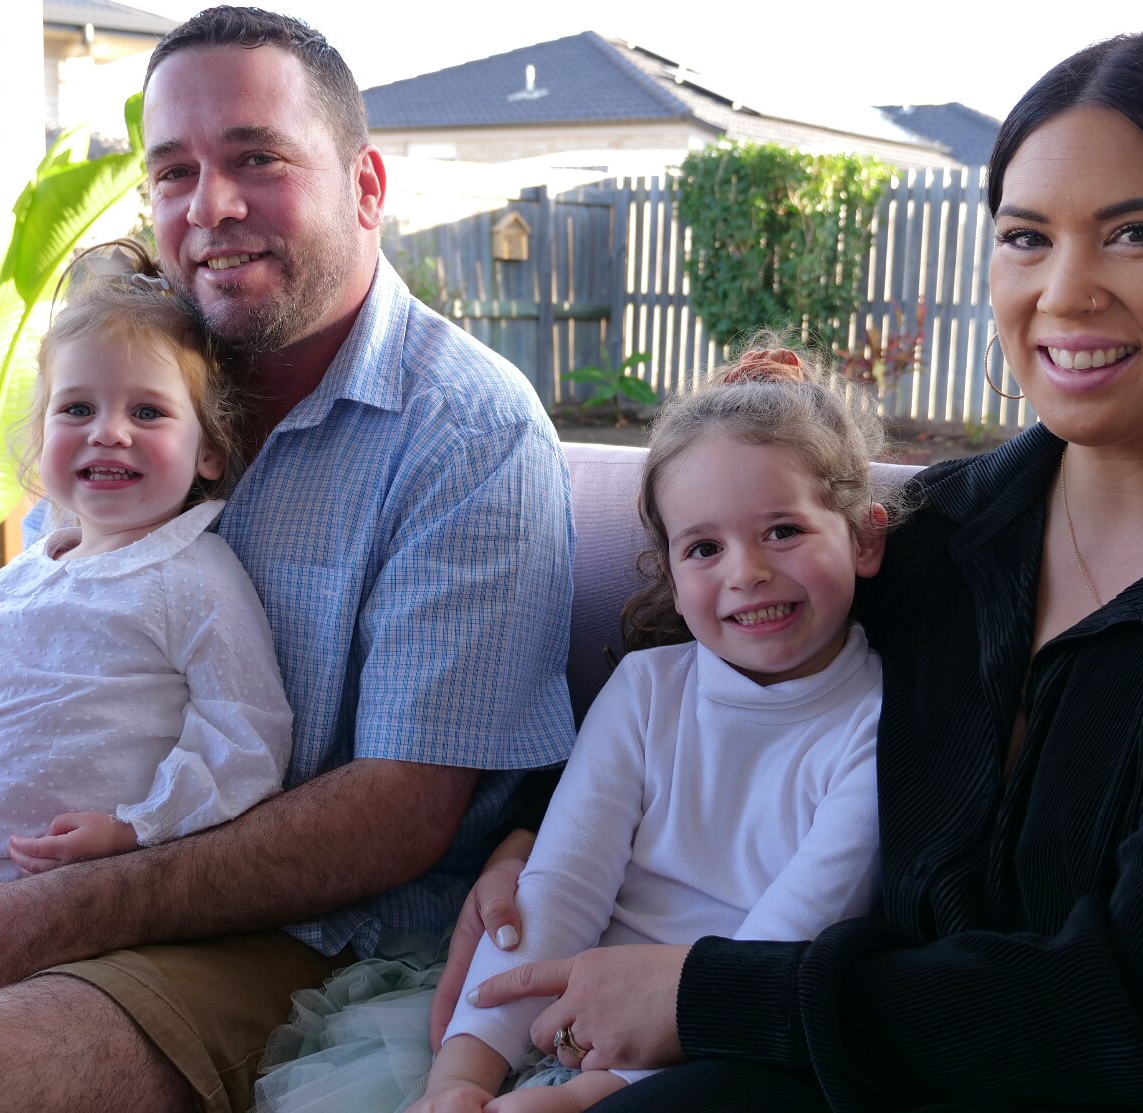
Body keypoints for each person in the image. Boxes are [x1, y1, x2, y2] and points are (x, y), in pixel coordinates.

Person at [439, 21, 1143, 1112]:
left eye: (1136, 233)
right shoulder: (949, 531)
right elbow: (734, 660)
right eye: (1026, 237)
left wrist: (718, 998)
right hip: (891, 1063)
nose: (1064, 290)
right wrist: (534, 832)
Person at [0, 9, 575, 1113]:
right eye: (172, 172)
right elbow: (23, 649)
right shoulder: (133, 381)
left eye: (255, 159)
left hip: (300, 934)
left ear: (366, 186)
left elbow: (402, 809)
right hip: (21, 875)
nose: (208, 207)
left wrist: (34, 921)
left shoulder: (465, 430)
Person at [254, 348, 888, 1113]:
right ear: (671, 573)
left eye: (782, 530)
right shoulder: (648, 690)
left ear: (863, 536)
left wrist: (593, 1095)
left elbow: (788, 944)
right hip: (552, 1019)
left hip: (720, 1052)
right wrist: (463, 1071)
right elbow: (558, 886)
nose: (745, 572)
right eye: (704, 548)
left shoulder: (881, 723)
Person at [0, 240, 294, 1101]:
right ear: (40, 442)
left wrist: (138, 827)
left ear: (209, 451)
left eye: (148, 412)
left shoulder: (193, 578)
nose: (109, 430)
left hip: (74, 924)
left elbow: (248, 732)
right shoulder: (15, 584)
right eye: (78, 408)